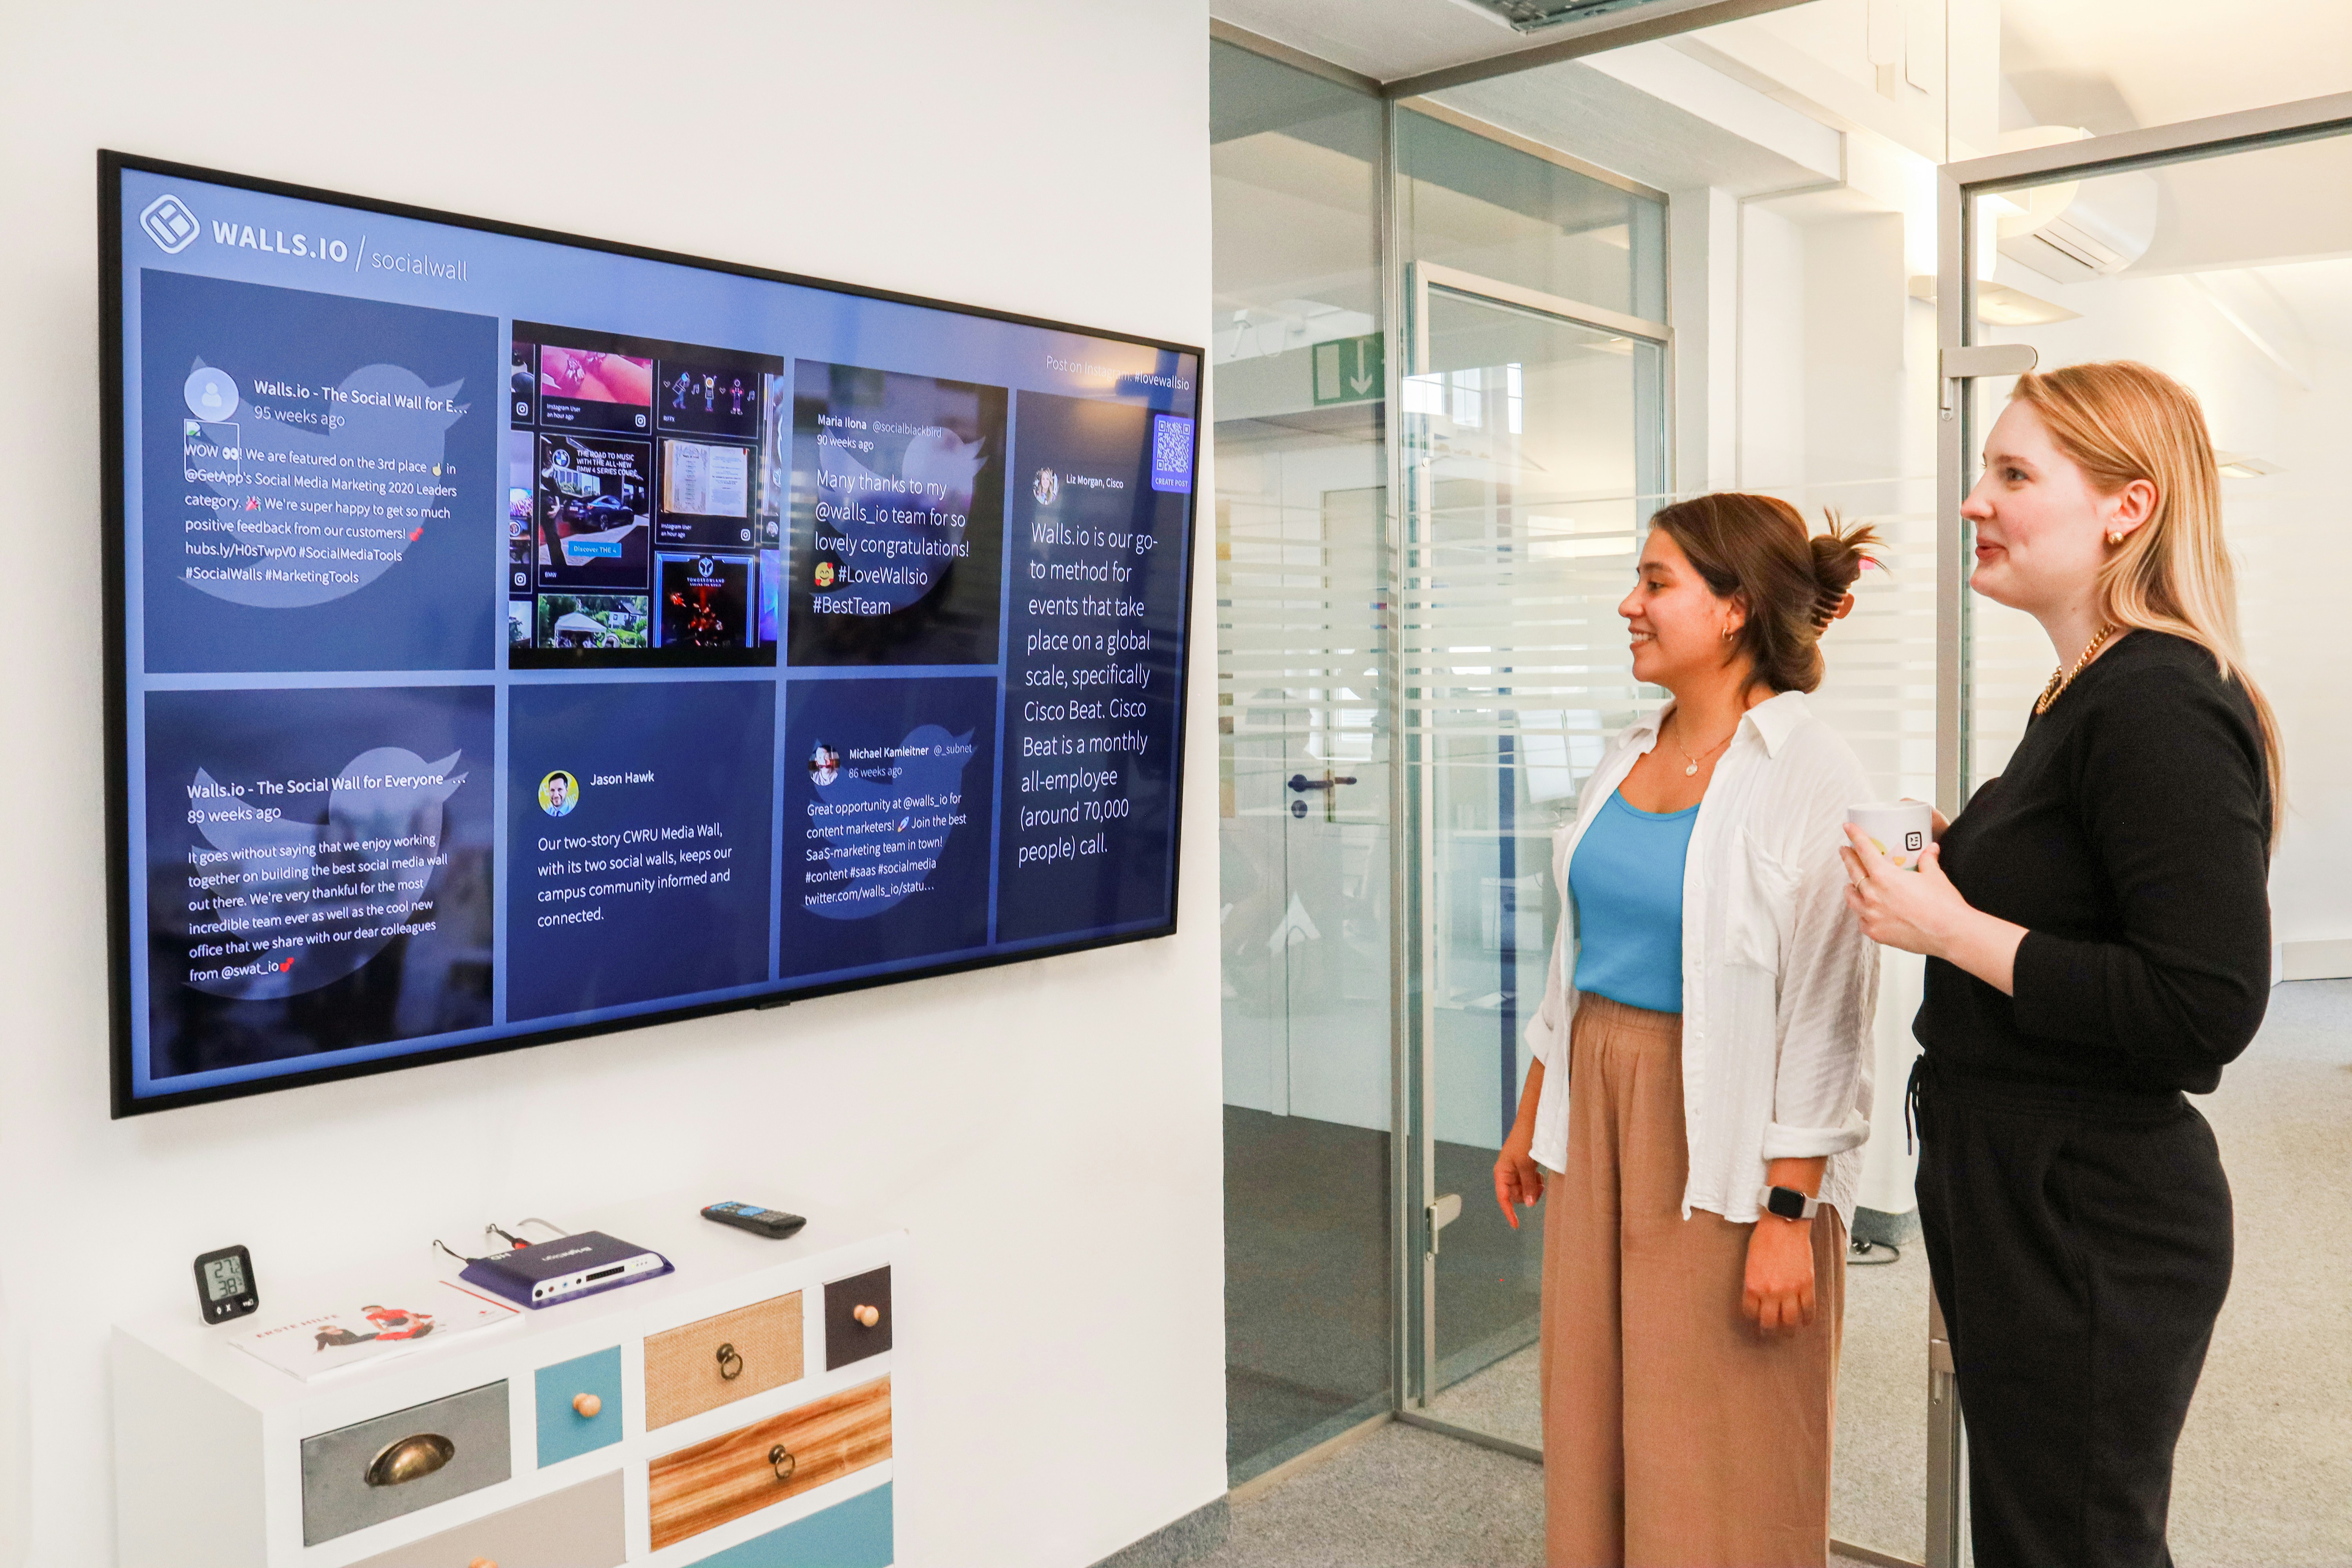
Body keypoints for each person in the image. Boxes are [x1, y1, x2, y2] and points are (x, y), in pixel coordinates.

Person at [1840, 361, 2279, 1568]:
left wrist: (1948, 927)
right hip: (2021, 1186)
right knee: (2043, 1532)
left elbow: (2205, 1007)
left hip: (2089, 1209)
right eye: (1985, 470)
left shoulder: (2158, 702)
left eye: (2014, 474)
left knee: (2072, 1541)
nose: (1975, 502)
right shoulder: (2083, 693)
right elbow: (2083, 909)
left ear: (2126, 509)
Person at [1494, 492, 1882, 1567]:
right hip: (1596, 1109)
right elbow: (1577, 953)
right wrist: (1534, 1112)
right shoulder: (1626, 752)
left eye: (1656, 582)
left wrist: (1787, 1213)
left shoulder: (1809, 770)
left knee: (1717, 1427)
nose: (1630, 603)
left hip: (1724, 1122)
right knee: (1598, 1412)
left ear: (1733, 611)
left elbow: (1829, 1009)